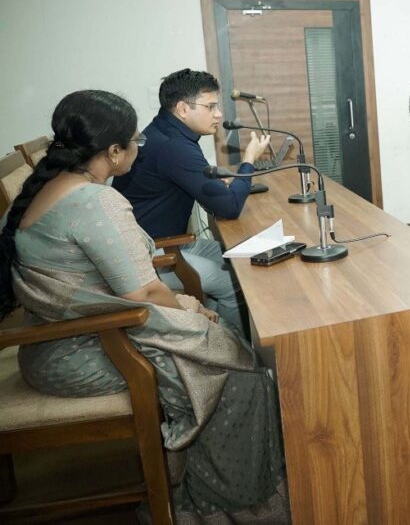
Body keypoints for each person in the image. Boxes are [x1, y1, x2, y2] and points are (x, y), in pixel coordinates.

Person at [0, 90, 288, 522]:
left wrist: (187, 309)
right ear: (114, 152)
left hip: (60, 342)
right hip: (83, 349)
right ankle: (230, 499)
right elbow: (145, 295)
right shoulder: (95, 201)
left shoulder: (48, 188)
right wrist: (191, 310)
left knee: (219, 338)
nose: (141, 146)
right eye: (136, 140)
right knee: (234, 369)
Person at [113, 69, 270, 331]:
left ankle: (218, 325)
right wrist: (249, 160)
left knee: (240, 258)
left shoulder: (165, 131)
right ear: (183, 109)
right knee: (237, 282)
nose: (218, 114)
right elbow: (229, 207)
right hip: (153, 256)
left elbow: (203, 188)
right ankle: (233, 345)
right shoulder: (173, 146)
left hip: (165, 243)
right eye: (211, 106)